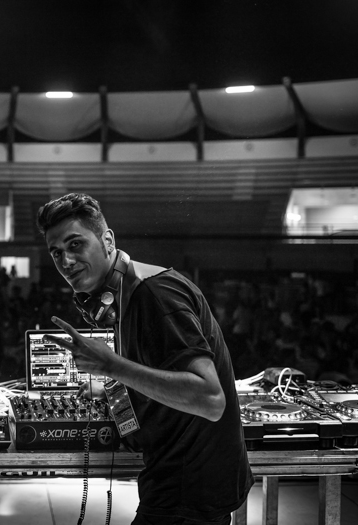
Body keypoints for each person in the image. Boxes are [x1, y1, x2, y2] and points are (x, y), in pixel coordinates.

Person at [37, 193, 253, 525]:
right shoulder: (128, 293)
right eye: (56, 253)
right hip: (183, 481)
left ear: (108, 241)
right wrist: (113, 387)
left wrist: (111, 366)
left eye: (75, 244)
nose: (65, 261)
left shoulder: (154, 295)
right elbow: (160, 371)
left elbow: (210, 398)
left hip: (188, 490)